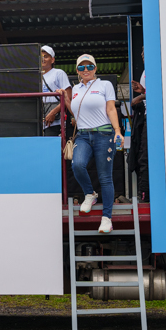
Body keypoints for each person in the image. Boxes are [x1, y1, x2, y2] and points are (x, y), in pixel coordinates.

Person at [69, 54, 124, 233]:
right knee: (77, 164)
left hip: (104, 133)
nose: (86, 70)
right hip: (83, 135)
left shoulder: (105, 85)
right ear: (77, 70)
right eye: (82, 67)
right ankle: (90, 194)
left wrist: (117, 131)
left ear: (95, 68)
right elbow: (75, 110)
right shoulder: (75, 88)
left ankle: (107, 218)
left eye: (89, 66)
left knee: (105, 177)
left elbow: (110, 109)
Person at [41, 45, 72, 137]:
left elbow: (68, 96)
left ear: (52, 60)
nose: (43, 59)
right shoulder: (34, 75)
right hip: (38, 120)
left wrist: (53, 112)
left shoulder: (58, 73)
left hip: (55, 122)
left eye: (46, 56)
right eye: (41, 57)